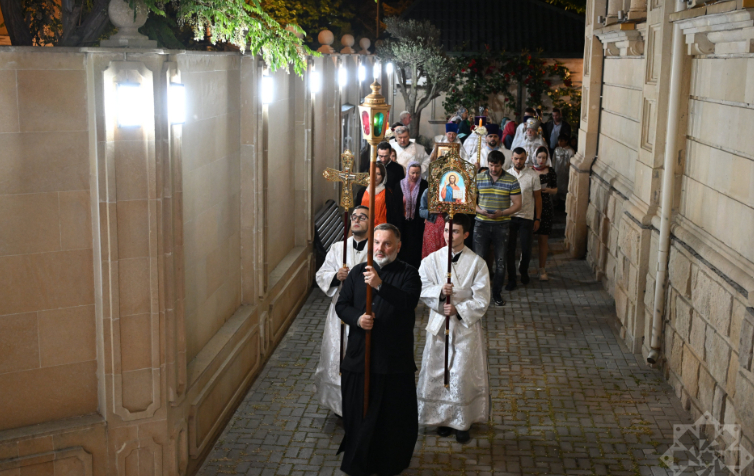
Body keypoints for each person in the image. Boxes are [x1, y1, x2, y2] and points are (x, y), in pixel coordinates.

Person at [335, 224, 422, 476]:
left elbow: (407, 303)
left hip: (392, 360)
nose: (380, 249)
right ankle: (359, 459)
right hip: (359, 356)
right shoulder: (356, 273)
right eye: (376, 243)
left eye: (386, 243)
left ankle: (388, 462)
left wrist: (380, 284)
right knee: (356, 411)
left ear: (398, 246)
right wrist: (357, 319)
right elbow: (342, 305)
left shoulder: (408, 274)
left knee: (391, 417)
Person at [416, 214, 491, 444]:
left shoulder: (477, 263)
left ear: (466, 234)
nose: (449, 236)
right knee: (439, 371)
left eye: (456, 231)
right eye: (447, 231)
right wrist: (440, 292)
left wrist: (457, 309)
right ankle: (441, 419)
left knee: (461, 373)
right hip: (439, 325)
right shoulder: (431, 260)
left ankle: (462, 421)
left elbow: (482, 298)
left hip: (464, 327)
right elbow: (421, 286)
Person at [313, 206, 370, 416]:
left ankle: (362, 401)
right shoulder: (338, 248)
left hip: (365, 312)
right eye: (354, 217)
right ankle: (339, 405)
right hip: (339, 313)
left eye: (363, 217)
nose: (357, 220)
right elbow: (322, 275)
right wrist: (336, 276)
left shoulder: (375, 249)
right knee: (338, 355)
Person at [473, 150, 522, 306]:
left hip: (502, 224)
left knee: (500, 261)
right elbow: (469, 201)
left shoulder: (511, 180)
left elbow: (517, 204)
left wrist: (503, 212)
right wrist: (480, 210)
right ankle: (480, 294)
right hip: (481, 223)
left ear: (503, 164)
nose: (493, 169)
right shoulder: (479, 178)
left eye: (497, 166)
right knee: (479, 260)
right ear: (488, 163)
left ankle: (496, 294)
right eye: (491, 165)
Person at [505, 148, 542, 291]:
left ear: (525, 158)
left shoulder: (533, 175)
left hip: (526, 216)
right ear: (512, 158)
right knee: (510, 249)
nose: (518, 161)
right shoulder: (507, 175)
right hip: (510, 216)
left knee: (526, 249)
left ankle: (524, 270)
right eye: (516, 158)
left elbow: (538, 199)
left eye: (521, 158)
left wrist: (537, 218)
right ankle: (512, 278)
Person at [532, 147, 558, 281]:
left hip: (546, 206)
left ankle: (542, 268)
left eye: (544, 157)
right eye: (539, 157)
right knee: (528, 239)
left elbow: (556, 189)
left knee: (543, 239)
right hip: (532, 206)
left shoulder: (551, 171)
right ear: (535, 157)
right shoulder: (530, 170)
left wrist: (549, 190)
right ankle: (524, 264)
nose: (541, 160)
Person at [398, 162, 428, 269]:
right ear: (407, 172)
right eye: (412, 173)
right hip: (403, 223)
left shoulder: (424, 185)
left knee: (416, 248)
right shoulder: (400, 185)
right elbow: (395, 206)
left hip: (418, 223)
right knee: (402, 247)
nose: (414, 176)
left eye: (417, 173)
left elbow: (427, 203)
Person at [355, 162, 403, 229]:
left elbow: (393, 214)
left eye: (378, 174)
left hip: (381, 228)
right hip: (363, 227)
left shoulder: (388, 192)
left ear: (383, 176)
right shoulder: (362, 191)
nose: (375, 177)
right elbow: (356, 210)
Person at [419, 188, 445, 259]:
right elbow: (421, 212)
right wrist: (432, 211)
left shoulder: (449, 190)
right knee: (431, 255)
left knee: (445, 254)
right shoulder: (428, 191)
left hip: (446, 226)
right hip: (432, 226)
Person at [552, 133, 574, 203]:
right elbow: (553, 161)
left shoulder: (571, 151)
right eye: (559, 141)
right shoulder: (556, 150)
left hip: (565, 173)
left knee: (565, 187)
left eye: (562, 141)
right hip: (557, 172)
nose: (559, 143)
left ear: (566, 141)